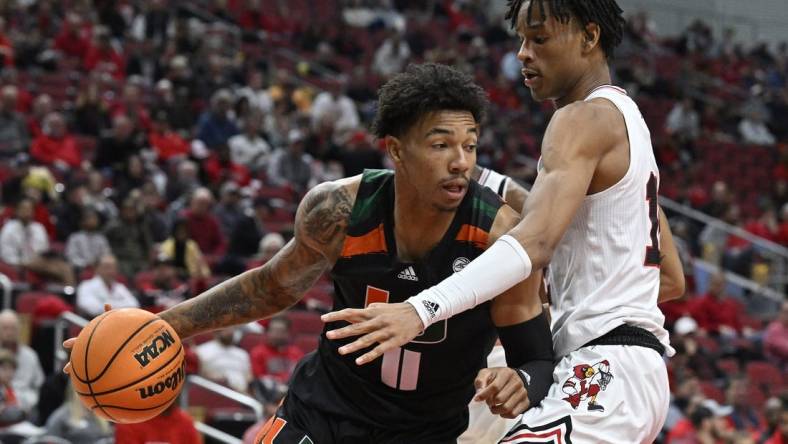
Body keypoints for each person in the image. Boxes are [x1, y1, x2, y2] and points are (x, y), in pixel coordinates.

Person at [66, 63, 555, 443]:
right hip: (325, 412)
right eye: (441, 144)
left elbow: (535, 357)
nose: (460, 162)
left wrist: (523, 382)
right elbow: (270, 287)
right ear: (396, 150)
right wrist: (160, 326)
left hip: (427, 430)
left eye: (470, 146)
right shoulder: (340, 210)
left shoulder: (497, 232)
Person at [322, 2, 686, 443]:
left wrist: (419, 310)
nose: (523, 53)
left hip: (605, 369)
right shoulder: (629, 129)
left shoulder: (580, 118)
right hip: (622, 370)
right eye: (521, 40)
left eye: (540, 38)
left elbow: (533, 245)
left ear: (590, 38)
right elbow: (670, 278)